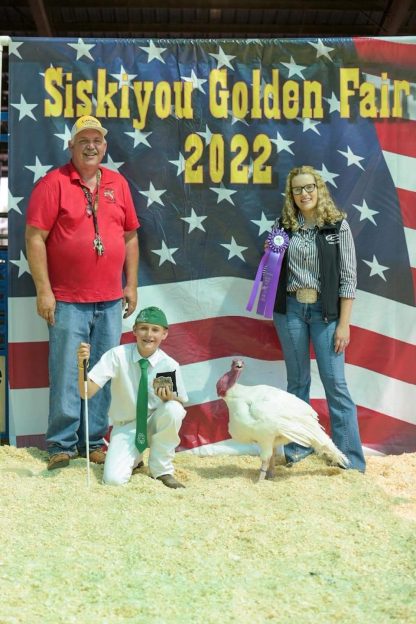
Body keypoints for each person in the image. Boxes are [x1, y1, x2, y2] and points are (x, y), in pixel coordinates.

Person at [25, 115, 140, 471]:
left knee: (102, 372)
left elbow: (130, 236)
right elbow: (34, 238)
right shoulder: (52, 184)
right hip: (67, 300)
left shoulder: (118, 184)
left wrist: (131, 284)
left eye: (98, 140)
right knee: (66, 373)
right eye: (84, 140)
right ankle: (60, 443)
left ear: (105, 146)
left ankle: (93, 441)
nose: (92, 146)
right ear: (71, 146)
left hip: (109, 300)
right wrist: (44, 290)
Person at [272, 165, 366, 472]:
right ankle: (298, 447)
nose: (304, 194)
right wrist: (270, 257)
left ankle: (350, 458)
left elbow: (349, 278)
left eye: (309, 187)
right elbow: (271, 272)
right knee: (297, 381)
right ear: (292, 194)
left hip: (326, 315)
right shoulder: (283, 226)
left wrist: (344, 323)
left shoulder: (337, 226)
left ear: (319, 188)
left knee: (335, 384)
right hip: (291, 310)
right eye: (297, 189)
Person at [77, 306, 188, 489]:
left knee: (174, 409)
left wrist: (169, 398)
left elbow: (176, 405)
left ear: (164, 334)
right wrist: (81, 367)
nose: (149, 334)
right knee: (113, 481)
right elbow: (85, 392)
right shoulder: (117, 355)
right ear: (134, 330)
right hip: (127, 425)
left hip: (154, 421)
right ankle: (135, 459)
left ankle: (162, 470)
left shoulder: (168, 364)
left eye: (155, 330)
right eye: (144, 328)